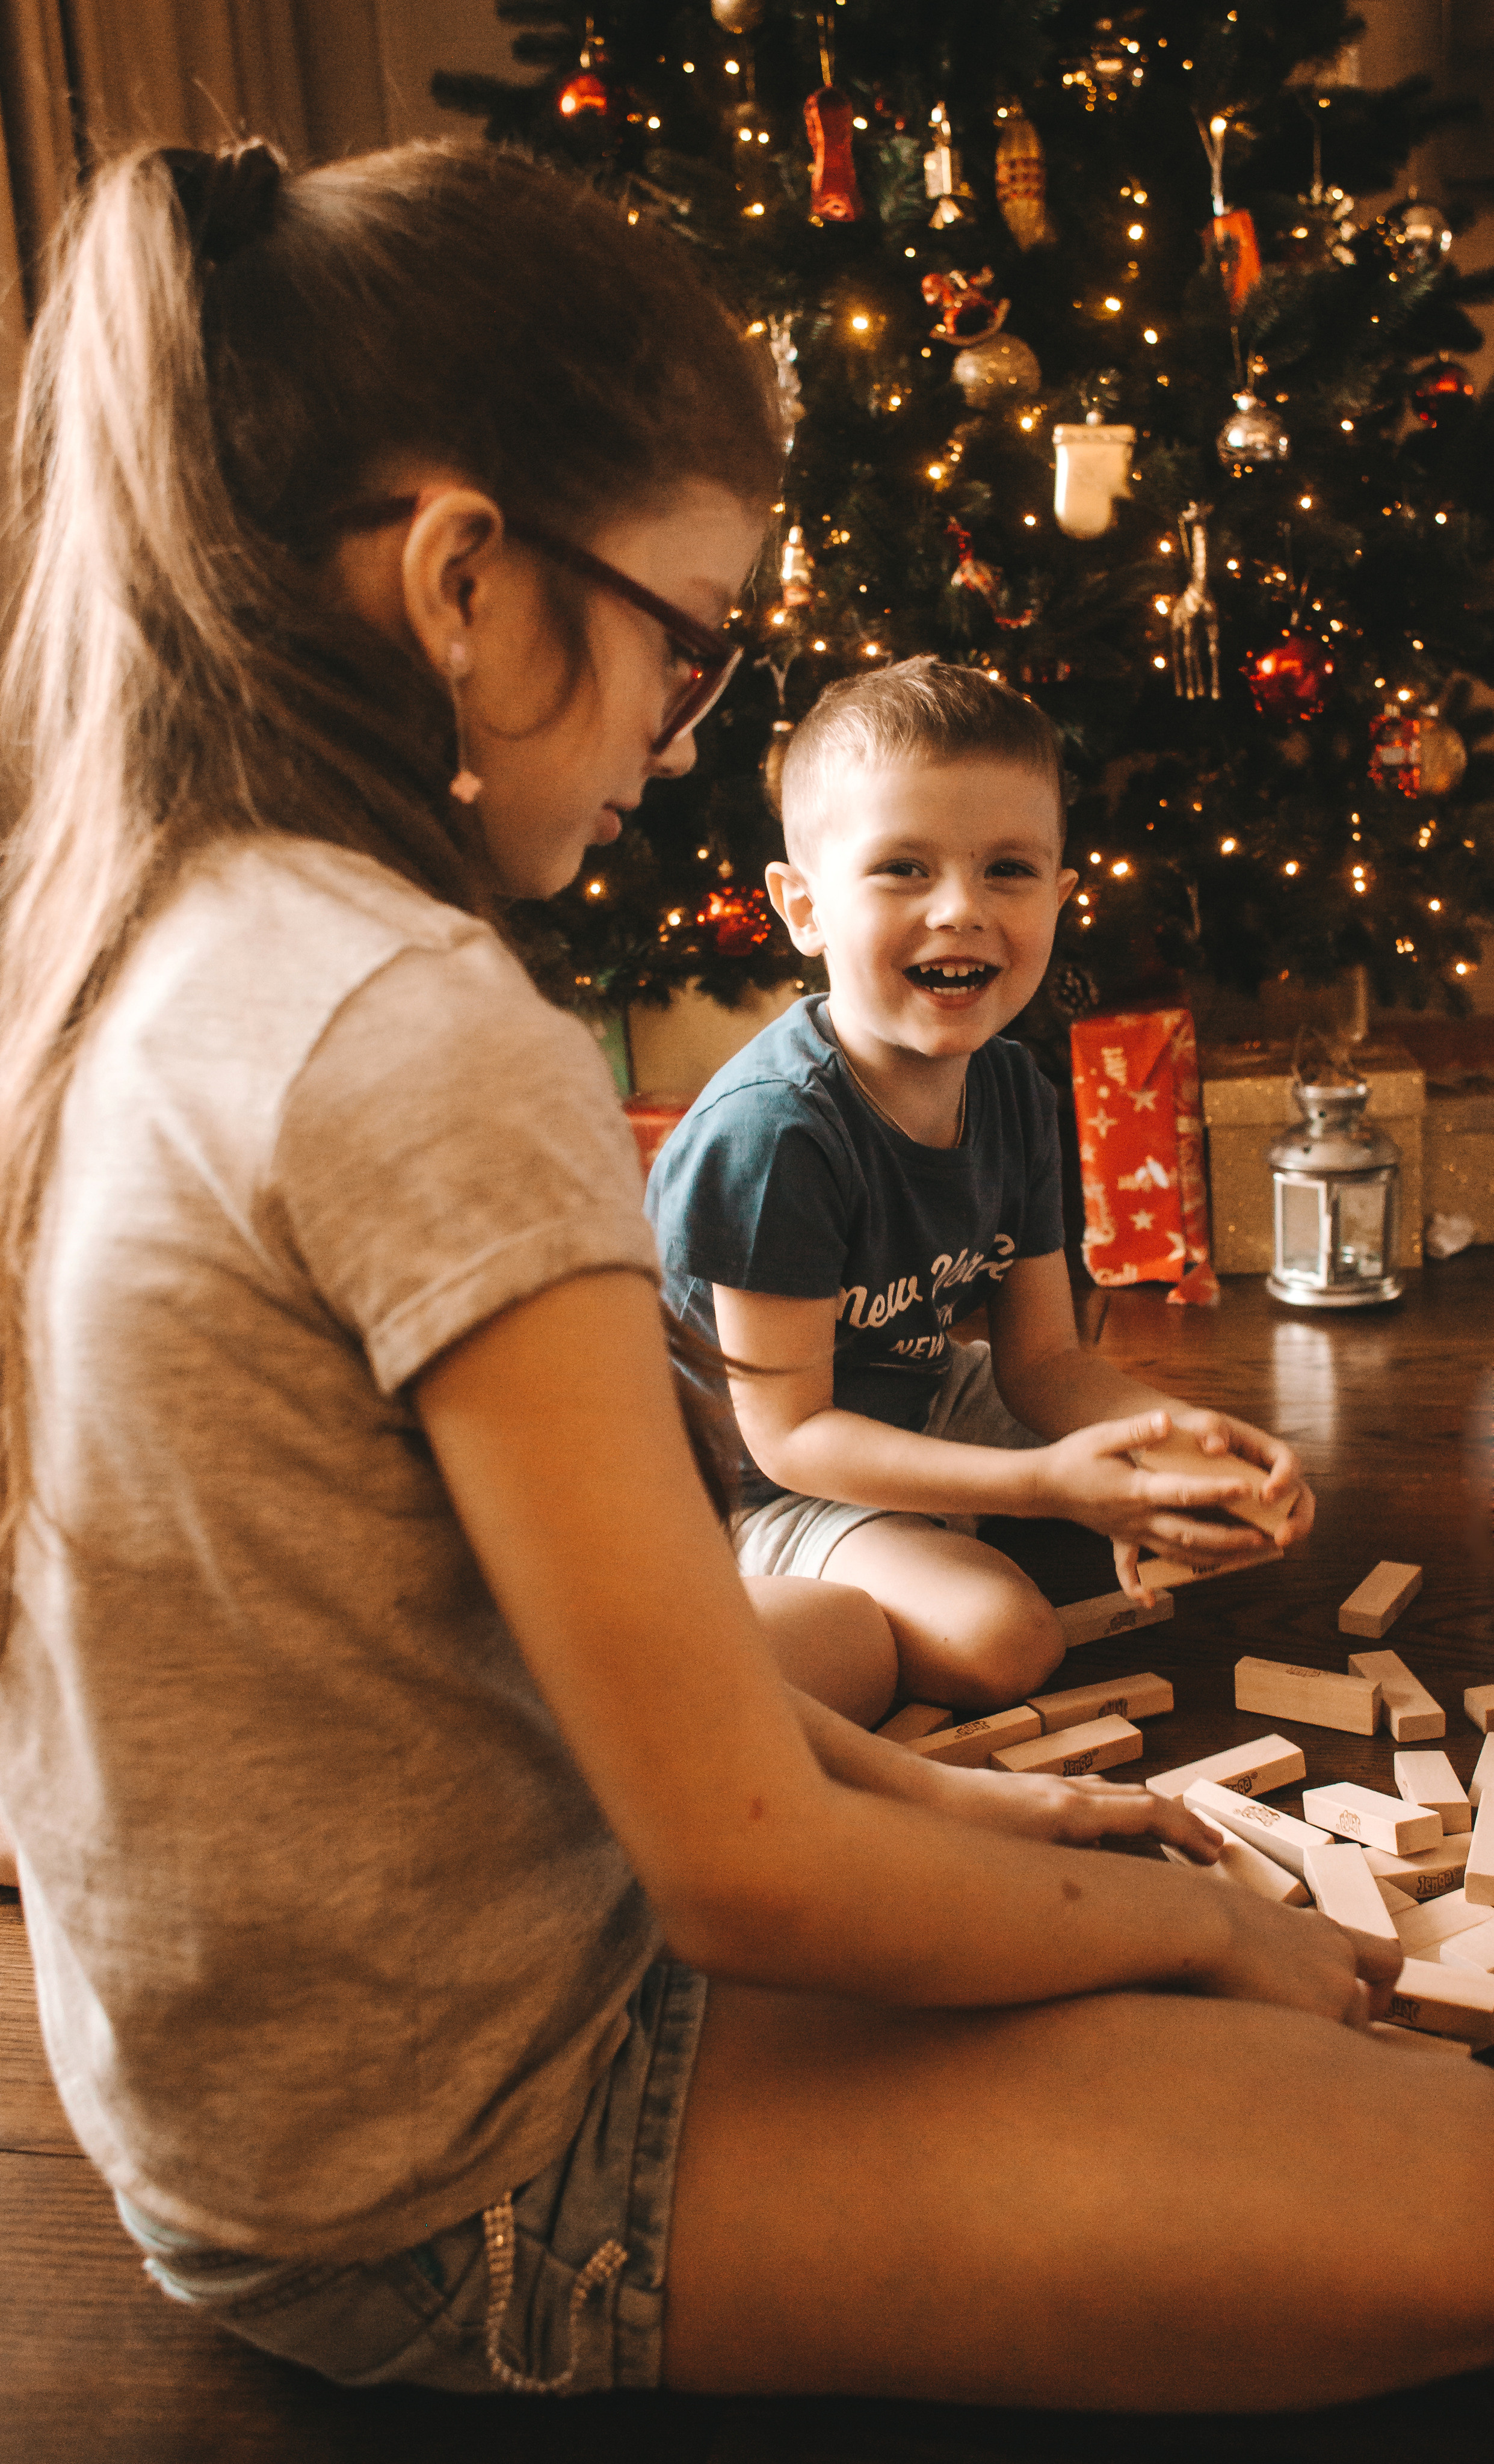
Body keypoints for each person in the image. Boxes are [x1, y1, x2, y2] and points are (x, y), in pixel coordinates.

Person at [0, 137, 1490, 2421]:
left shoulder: (135, 922)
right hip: (447, 2159)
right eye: (689, 647)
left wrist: (980, 1809)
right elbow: (740, 1872)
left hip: (280, 2094)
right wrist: (1196, 1911)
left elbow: (505, 1677)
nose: (674, 742)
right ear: (469, 583)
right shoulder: (410, 1023)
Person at [647, 661, 1313, 1714]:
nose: (960, 910)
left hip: (911, 1392)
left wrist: (1179, 1444)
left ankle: (934, 1541)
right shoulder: (774, 1132)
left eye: (1007, 869)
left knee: (1205, 1481)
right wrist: (1050, 1487)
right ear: (803, 908)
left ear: (1059, 897)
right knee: (1004, 1639)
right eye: (904, 868)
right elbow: (790, 1436)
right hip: (744, 1479)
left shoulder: (1010, 1083)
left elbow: (1045, 1360)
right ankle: (716, 1644)